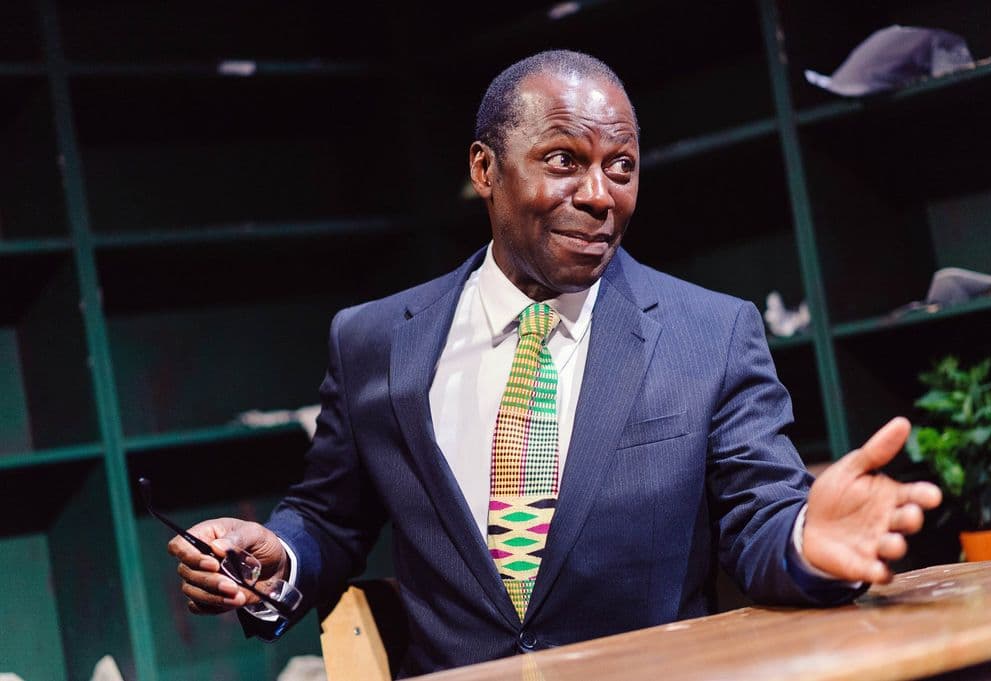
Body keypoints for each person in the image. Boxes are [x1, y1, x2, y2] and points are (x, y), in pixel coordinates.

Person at [169, 50, 942, 676]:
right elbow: (331, 516)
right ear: (485, 170)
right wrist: (277, 559)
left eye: (622, 166)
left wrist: (805, 539)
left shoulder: (710, 333)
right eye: (565, 159)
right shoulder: (374, 340)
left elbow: (758, 516)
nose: (600, 195)